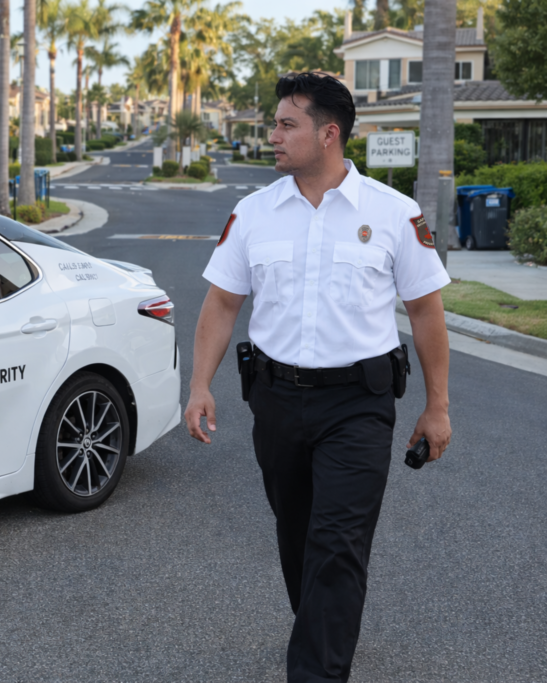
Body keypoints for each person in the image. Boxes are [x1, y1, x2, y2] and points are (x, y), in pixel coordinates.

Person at [184, 72, 452, 682]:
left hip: (358, 405)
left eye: (287, 124)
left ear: (328, 135)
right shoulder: (253, 213)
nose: (272, 135)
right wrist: (200, 384)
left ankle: (316, 669)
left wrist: (437, 407)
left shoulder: (392, 213)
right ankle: (325, 629)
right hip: (276, 402)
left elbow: (426, 313)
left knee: (336, 547)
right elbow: (222, 304)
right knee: (298, 539)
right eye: (275, 123)